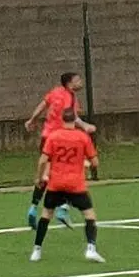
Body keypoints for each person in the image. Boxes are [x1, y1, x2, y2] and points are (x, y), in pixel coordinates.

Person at [31, 109, 105, 264]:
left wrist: (39, 178)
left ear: (62, 119)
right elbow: (95, 162)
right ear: (75, 120)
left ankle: (36, 250)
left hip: (55, 183)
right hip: (76, 184)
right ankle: (91, 248)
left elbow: (43, 160)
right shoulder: (82, 137)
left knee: (46, 215)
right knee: (89, 215)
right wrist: (86, 163)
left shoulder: (53, 137)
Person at [24, 71, 94, 228]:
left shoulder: (55, 92)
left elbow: (43, 105)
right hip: (61, 139)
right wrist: (85, 126)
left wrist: (31, 120)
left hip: (46, 137)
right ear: (70, 84)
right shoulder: (70, 97)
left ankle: (34, 208)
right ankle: (62, 208)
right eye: (77, 80)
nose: (80, 82)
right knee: (71, 172)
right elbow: (73, 118)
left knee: (46, 174)